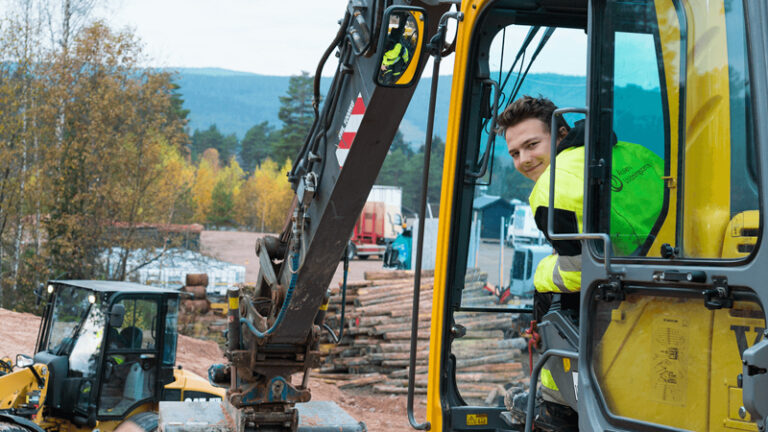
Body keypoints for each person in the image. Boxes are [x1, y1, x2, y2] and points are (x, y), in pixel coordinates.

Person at [497, 96, 664, 428]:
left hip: (622, 314)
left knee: (548, 284)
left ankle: (557, 404)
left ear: (560, 134)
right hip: (666, 286)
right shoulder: (634, 153)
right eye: (515, 153)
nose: (524, 160)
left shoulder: (552, 188)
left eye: (532, 145)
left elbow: (582, 273)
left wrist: (543, 272)